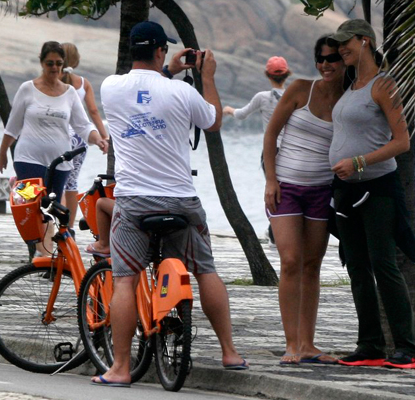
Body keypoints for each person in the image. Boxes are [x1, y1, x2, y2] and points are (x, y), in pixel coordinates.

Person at [92, 21, 247, 387]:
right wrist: (206, 76)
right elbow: (212, 122)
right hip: (181, 199)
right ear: (162, 50)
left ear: (133, 51)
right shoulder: (182, 93)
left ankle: (119, 368)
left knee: (125, 279)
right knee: (205, 270)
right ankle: (229, 351)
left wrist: (167, 69)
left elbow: (145, 88)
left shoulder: (110, 88)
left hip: (133, 200)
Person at [328, 19, 415, 369]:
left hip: (377, 188)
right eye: (337, 44)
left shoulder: (384, 85)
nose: (340, 49)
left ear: (365, 41)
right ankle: (369, 345)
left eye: (345, 42)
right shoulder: (352, 87)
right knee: (356, 266)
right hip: (346, 190)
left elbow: (402, 141)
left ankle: (408, 347)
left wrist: (359, 162)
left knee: (384, 264)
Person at [262, 37, 348, 366]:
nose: (326, 65)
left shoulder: (348, 100)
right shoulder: (299, 88)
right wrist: (271, 179)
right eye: (320, 59)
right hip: (285, 187)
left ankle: (308, 344)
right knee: (290, 261)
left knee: (312, 267)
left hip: (321, 190)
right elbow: (271, 134)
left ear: (345, 62)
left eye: (333, 59)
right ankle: (291, 344)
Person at [0, 41, 109, 255]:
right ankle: (45, 254)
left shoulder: (69, 93)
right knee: (32, 208)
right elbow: (13, 125)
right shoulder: (27, 89)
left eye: (58, 63)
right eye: (50, 63)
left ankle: (44, 255)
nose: (54, 68)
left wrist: (99, 140)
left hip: (59, 163)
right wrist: (3, 152)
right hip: (28, 158)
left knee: (51, 209)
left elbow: (83, 126)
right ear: (42, 63)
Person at [223, 56, 291, 245]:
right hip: (291, 152)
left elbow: (241, 114)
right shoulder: (292, 96)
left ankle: (274, 233)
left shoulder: (262, 97)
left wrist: (229, 110)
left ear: (268, 75)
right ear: (287, 74)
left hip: (270, 153)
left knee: (273, 191)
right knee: (287, 191)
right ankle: (280, 233)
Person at [60, 42, 110, 233]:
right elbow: (94, 111)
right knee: (72, 183)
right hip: (80, 139)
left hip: (60, 137)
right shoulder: (83, 83)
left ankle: (58, 224)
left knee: (59, 182)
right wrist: (103, 137)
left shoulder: (53, 81)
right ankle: (69, 228)